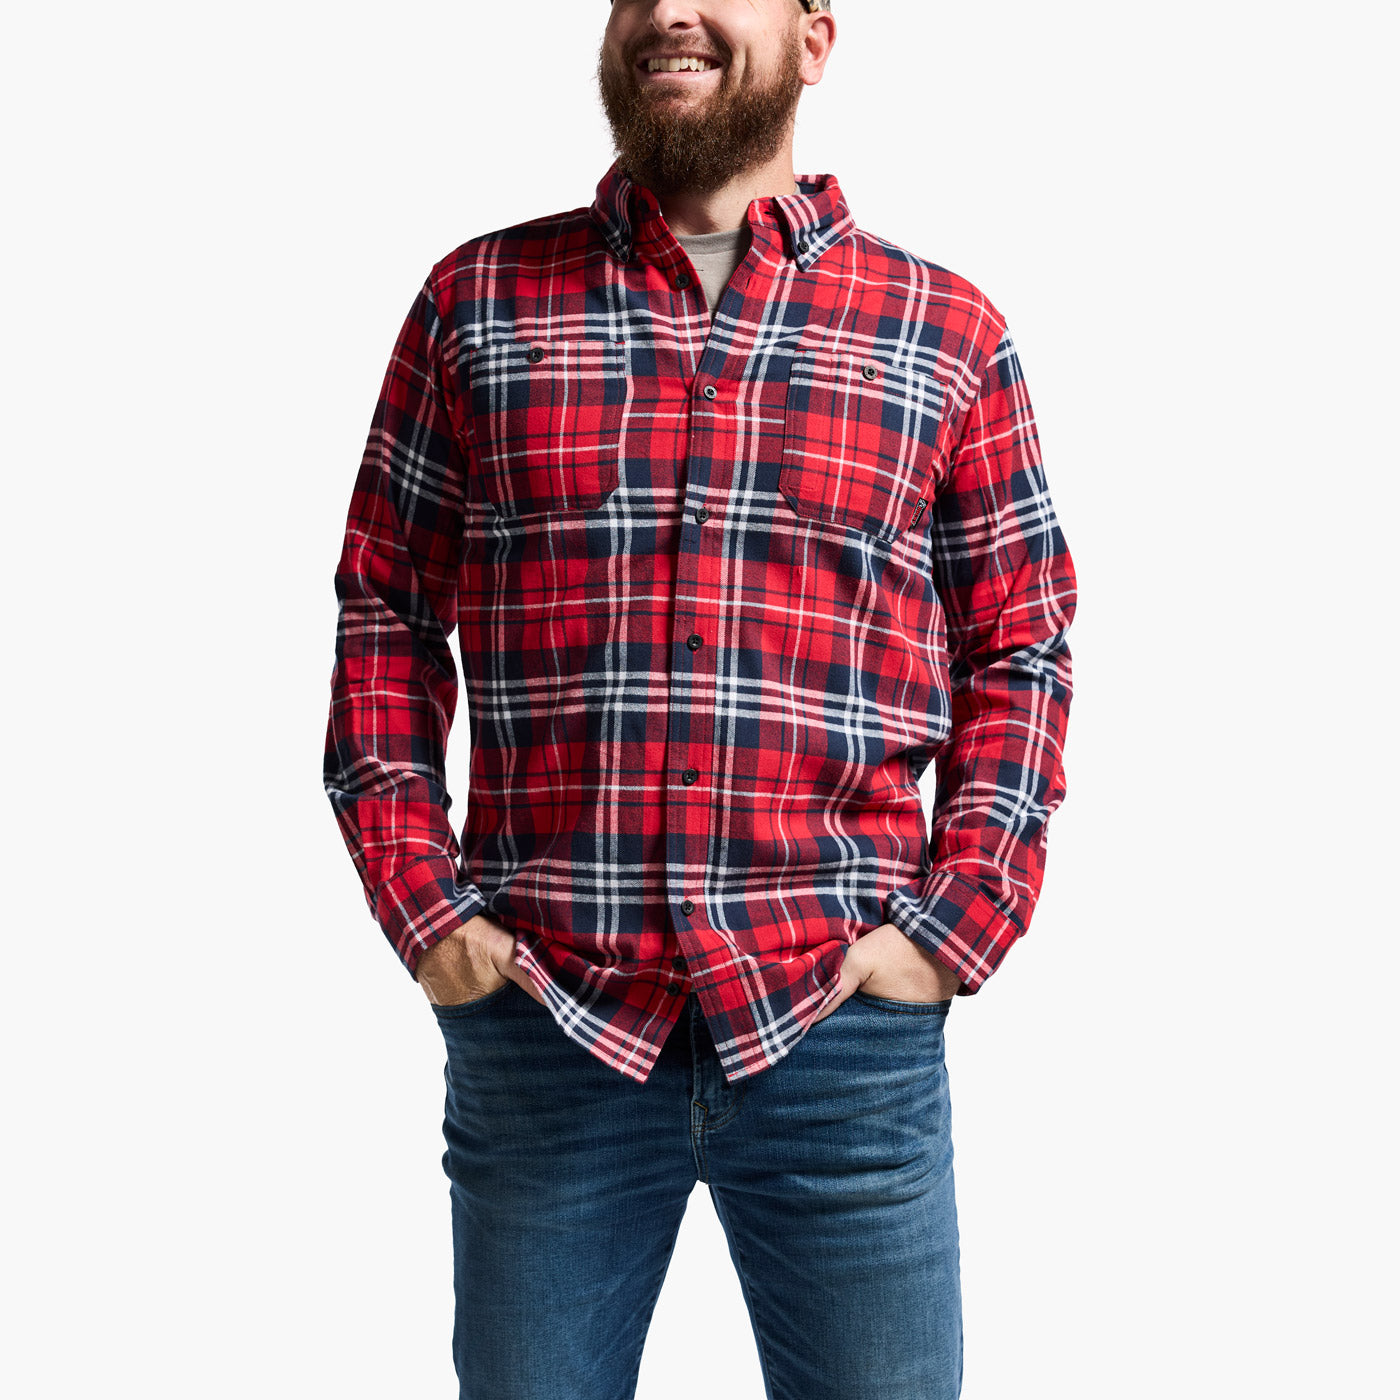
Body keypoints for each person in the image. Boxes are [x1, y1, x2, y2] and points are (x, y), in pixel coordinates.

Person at [322, 1, 1077, 1395]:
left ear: (813, 36)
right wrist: (430, 918)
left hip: (842, 1028)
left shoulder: (947, 329)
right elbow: (384, 611)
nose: (666, 9)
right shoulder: (475, 304)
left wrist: (953, 930)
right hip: (549, 1021)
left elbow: (1020, 649)